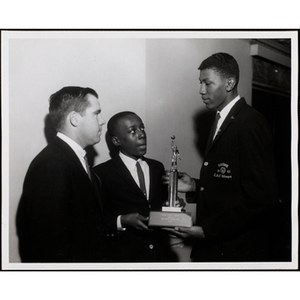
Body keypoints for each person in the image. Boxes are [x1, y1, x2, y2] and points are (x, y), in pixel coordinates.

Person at [164, 52, 279, 262]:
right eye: (200, 83)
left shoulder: (250, 122)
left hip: (235, 250)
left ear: (229, 83)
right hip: (215, 248)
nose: (201, 90)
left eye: (207, 83)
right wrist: (195, 187)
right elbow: (231, 186)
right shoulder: (221, 118)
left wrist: (207, 230)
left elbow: (262, 198)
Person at [17, 86, 110, 262]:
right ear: (74, 119)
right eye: (96, 113)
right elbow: (49, 247)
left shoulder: (70, 159)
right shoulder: (51, 166)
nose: (102, 120)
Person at [93, 111, 176, 262]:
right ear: (116, 141)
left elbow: (159, 206)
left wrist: (172, 206)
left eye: (142, 128)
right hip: (125, 260)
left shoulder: (157, 167)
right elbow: (94, 222)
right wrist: (122, 220)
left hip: (159, 257)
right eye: (133, 131)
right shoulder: (101, 174)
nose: (142, 134)